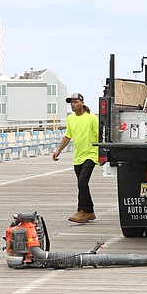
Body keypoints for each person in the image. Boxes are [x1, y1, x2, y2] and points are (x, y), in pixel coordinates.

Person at [52, 92, 99, 223]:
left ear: (82, 103)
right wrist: (58, 149)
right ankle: (90, 212)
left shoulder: (91, 118)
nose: (73, 105)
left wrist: (103, 155)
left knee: (82, 182)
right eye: (71, 102)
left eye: (76, 102)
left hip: (91, 154)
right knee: (82, 184)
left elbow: (101, 136)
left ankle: (82, 211)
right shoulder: (70, 119)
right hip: (78, 156)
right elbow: (68, 136)